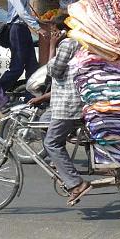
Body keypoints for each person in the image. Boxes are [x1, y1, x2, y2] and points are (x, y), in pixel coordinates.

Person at [29, 14, 91, 205]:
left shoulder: (68, 44)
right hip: (63, 101)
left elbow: (53, 71)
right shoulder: (77, 43)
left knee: (52, 143)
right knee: (44, 123)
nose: (52, 33)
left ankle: (75, 184)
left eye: (55, 30)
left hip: (67, 105)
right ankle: (62, 166)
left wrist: (53, 45)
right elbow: (60, 79)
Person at [0, 0, 49, 94]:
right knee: (17, 66)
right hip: (16, 29)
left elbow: (26, 13)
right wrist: (38, 29)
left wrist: (38, 21)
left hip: (23, 29)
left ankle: (30, 96)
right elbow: (21, 13)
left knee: (32, 64)